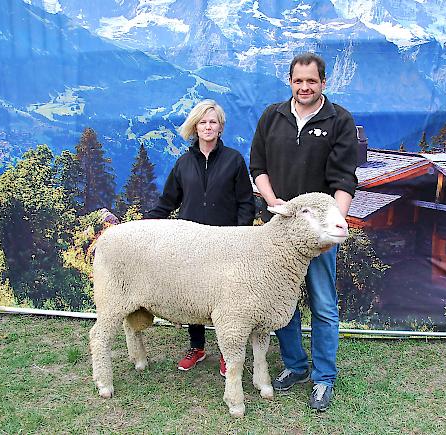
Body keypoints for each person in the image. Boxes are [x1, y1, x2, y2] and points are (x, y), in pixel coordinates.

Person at [249, 53, 357, 411]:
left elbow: (344, 181)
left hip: (318, 235)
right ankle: (295, 366)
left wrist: (333, 227)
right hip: (278, 232)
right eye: (299, 81)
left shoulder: (339, 120)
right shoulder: (272, 116)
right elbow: (258, 167)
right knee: (283, 304)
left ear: (323, 83)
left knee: (324, 305)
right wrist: (272, 201)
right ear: (290, 82)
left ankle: (323, 377)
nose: (305, 87)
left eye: (312, 81)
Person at [146, 99, 255, 377]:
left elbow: (246, 202)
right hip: (190, 244)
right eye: (203, 122)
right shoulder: (183, 163)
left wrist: (241, 236)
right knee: (195, 295)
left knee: (226, 299)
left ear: (220, 127)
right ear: (195, 127)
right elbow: (168, 201)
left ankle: (225, 352)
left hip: (225, 243)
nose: (208, 127)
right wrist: (142, 226)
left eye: (213, 122)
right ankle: (197, 347)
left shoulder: (234, 160)